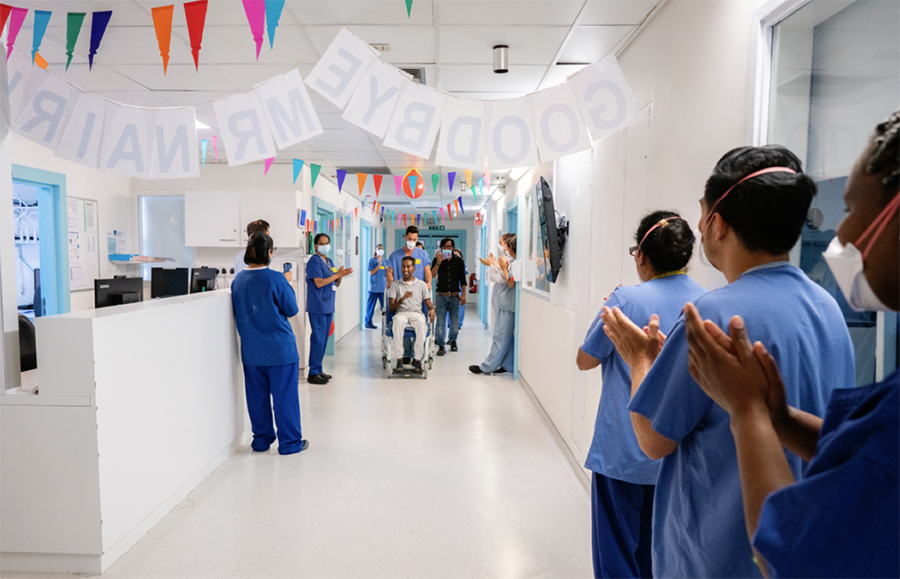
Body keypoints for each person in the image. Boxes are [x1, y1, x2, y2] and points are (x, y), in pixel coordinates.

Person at [599, 145, 855, 579]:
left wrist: (640, 359)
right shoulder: (828, 309)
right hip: (798, 547)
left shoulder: (710, 318)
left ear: (716, 224)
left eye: (702, 215)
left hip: (715, 556)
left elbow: (652, 440)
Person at [682, 109, 900, 579]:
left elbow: (791, 553)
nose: (841, 234)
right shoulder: (825, 307)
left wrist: (748, 412)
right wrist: (779, 420)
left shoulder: (711, 316)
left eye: (854, 208)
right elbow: (858, 454)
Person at [576, 212, 706, 579]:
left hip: (623, 450)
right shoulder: (708, 302)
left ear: (641, 256)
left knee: (616, 548)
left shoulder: (624, 300)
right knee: (659, 550)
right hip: (678, 452)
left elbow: (585, 360)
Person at [231, 232, 308, 455]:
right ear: (270, 253)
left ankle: (262, 441)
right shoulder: (275, 279)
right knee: (285, 397)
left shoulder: (238, 281)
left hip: (252, 352)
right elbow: (291, 309)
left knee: (257, 398)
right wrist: (288, 282)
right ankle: (290, 443)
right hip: (280, 351)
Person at [306, 233, 353, 385]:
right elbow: (319, 283)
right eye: (321, 243)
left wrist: (340, 276)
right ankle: (313, 372)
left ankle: (318, 369)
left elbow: (335, 284)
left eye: (327, 243)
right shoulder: (314, 261)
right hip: (318, 305)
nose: (325, 245)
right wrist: (336, 275)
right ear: (315, 246)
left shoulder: (329, 261)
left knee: (324, 339)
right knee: (318, 339)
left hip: (328, 304)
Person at [470, 233, 518, 375]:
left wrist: (502, 267)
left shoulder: (516, 263)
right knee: (506, 338)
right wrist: (494, 264)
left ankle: (487, 367)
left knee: (500, 336)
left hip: (508, 304)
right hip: (505, 303)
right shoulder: (512, 261)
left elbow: (510, 282)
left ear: (510, 246)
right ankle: (508, 365)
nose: (504, 248)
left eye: (505, 245)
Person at [387, 256, 436, 374]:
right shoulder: (395, 285)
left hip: (416, 313)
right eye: (403, 266)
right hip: (401, 313)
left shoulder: (422, 285)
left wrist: (432, 309)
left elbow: (428, 303)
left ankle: (417, 360)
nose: (405, 269)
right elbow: (391, 307)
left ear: (414, 268)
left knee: (421, 324)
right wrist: (402, 299)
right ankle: (399, 360)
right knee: (398, 322)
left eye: (408, 266)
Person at [431, 238, 467, 356]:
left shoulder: (459, 261)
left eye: (450, 247)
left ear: (453, 247)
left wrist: (464, 295)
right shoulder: (437, 260)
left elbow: (463, 279)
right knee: (440, 322)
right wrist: (439, 262)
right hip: (441, 295)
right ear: (441, 248)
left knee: (454, 322)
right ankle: (441, 345)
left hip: (454, 296)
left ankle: (453, 341)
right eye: (445, 247)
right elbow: (431, 274)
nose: (448, 249)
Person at [364, 244, 387, 329]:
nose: (381, 250)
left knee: (384, 307)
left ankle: (387, 323)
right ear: (375, 250)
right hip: (373, 288)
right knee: (370, 307)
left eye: (382, 248)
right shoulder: (372, 261)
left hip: (383, 288)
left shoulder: (386, 261)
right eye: (379, 248)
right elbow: (372, 272)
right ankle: (368, 322)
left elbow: (387, 273)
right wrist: (378, 265)